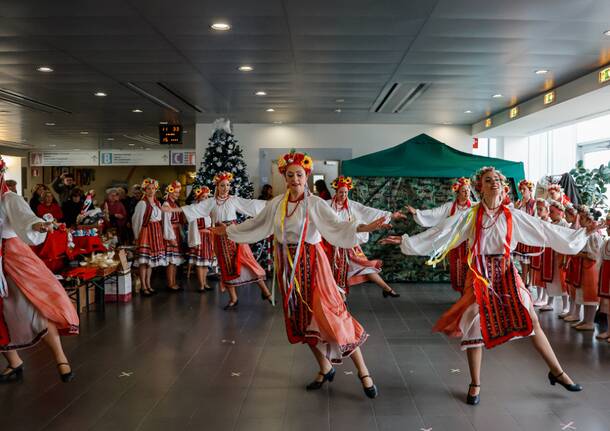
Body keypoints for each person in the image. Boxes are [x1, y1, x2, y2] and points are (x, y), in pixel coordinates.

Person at [381, 166, 587, 405]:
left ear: (503, 186)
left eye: (497, 180)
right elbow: (441, 232)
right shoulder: (470, 214)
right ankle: (475, 382)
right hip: (479, 273)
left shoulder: (513, 215)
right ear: (481, 187)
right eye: (488, 180)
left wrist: (580, 234)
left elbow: (545, 230)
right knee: (475, 325)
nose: (494, 183)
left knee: (531, 318)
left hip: (506, 272)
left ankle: (557, 372)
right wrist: (407, 241)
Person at [212, 150, 388, 398]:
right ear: (285, 177)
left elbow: (337, 226)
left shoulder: (314, 203)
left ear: (306, 177)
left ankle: (363, 372)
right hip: (287, 265)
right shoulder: (276, 204)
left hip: (313, 264)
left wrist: (365, 227)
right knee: (301, 319)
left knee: (333, 315)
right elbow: (256, 225)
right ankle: (325, 368)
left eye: (299, 174)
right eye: (290, 174)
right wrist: (228, 232)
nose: (295, 178)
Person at [0, 156, 78, 384]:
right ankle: (14, 362)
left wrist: (39, 224)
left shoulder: (8, 199)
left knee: (36, 310)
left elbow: (26, 218)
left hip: (12, 260)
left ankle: (61, 359)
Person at [163, 172, 271, 310]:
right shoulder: (211, 202)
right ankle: (233, 298)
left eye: (227, 185)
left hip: (234, 235)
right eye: (222, 185)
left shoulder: (233, 200)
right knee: (225, 266)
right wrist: (173, 209)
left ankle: (266, 292)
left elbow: (251, 205)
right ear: (217, 187)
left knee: (246, 261)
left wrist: (270, 204)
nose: (225, 188)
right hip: (220, 238)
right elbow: (194, 209)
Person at [325, 175, 404, 297]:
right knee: (334, 272)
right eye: (341, 192)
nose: (343, 195)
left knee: (365, 267)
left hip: (350, 245)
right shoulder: (327, 205)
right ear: (336, 192)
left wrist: (390, 216)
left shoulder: (352, 206)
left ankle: (386, 288)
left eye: (346, 192)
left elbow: (368, 211)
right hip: (333, 246)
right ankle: (341, 299)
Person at [405, 177, 473, 293]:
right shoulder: (450, 206)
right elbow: (434, 213)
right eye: (464, 190)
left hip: (470, 243)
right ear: (457, 192)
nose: (467, 193)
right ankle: (462, 293)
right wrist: (417, 212)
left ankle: (470, 294)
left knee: (470, 267)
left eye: (468, 190)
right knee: (457, 266)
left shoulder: (474, 206)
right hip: (454, 242)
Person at [567, 207, 602, 331]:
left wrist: (578, 253)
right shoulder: (585, 233)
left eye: (582, 218)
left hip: (590, 268)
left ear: (590, 220)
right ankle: (585, 320)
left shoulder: (594, 236)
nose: (579, 220)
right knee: (583, 294)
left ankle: (590, 322)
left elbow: (594, 254)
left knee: (590, 295)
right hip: (583, 267)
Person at [132, 178, 167, 296]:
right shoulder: (142, 203)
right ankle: (143, 286)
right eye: (148, 189)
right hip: (146, 232)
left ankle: (149, 284)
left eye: (153, 188)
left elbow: (160, 218)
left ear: (156, 190)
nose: (151, 191)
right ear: (144, 190)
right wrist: (137, 235)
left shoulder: (157, 203)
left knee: (150, 262)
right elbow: (137, 220)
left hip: (156, 231)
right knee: (144, 262)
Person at [539, 200, 570, 314]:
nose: (550, 214)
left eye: (552, 212)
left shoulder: (565, 224)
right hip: (550, 256)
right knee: (550, 281)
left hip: (560, 256)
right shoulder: (550, 224)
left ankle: (565, 307)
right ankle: (550, 302)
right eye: (550, 212)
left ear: (560, 213)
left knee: (562, 282)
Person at [186, 185, 215, 292]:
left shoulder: (209, 210)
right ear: (198, 198)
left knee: (205, 262)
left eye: (207, 197)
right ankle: (201, 284)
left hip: (208, 238)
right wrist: (195, 241)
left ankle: (205, 282)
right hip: (199, 238)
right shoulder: (195, 210)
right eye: (203, 197)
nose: (206, 199)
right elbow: (193, 227)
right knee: (199, 262)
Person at [513, 179, 538, 291]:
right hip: (520, 234)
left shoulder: (534, 203)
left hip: (530, 234)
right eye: (521, 189)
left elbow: (535, 218)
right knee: (522, 259)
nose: (522, 192)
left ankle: (531, 282)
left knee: (530, 259)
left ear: (530, 190)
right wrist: (516, 208)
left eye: (524, 189)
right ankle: (523, 280)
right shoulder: (519, 203)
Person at [162, 181, 186, 291]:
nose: (177, 195)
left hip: (176, 232)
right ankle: (170, 283)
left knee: (175, 261)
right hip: (171, 233)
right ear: (170, 192)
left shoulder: (175, 205)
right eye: (175, 192)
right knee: (171, 261)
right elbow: (166, 222)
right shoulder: (166, 204)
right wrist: (170, 237)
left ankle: (173, 282)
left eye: (178, 193)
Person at [530, 199, 551, 307]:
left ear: (547, 210)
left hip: (546, 251)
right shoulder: (537, 221)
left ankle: (545, 297)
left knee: (545, 274)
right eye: (537, 209)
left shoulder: (549, 223)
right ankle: (539, 297)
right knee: (537, 274)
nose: (538, 211)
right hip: (537, 249)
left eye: (541, 209)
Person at [596, 213, 610, 341]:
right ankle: (608, 330)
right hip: (606, 274)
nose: (607, 229)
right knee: (607, 304)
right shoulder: (606, 242)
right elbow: (600, 260)